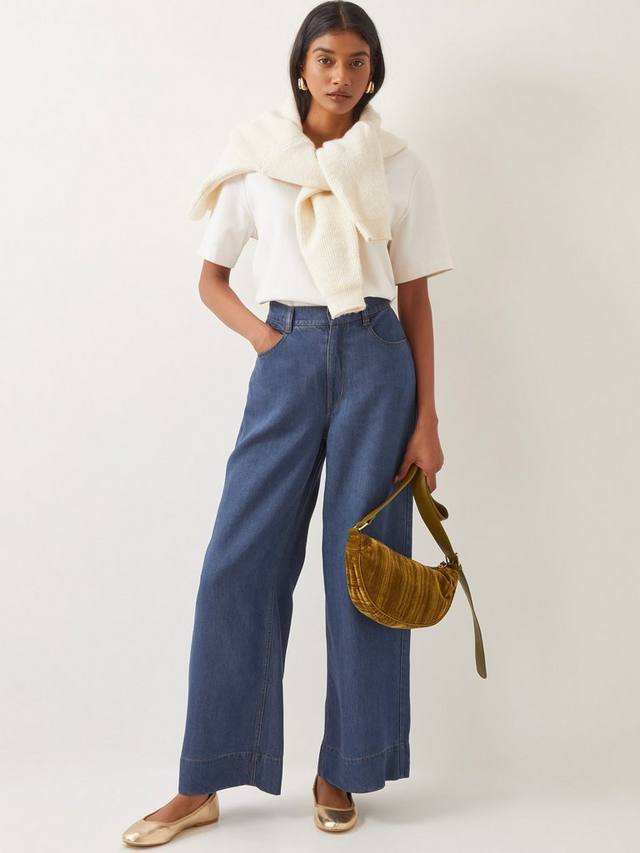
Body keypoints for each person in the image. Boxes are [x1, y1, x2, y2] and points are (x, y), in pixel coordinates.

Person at [122, 2, 453, 845]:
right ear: (301, 67)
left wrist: (427, 418)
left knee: (363, 565)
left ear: (373, 72)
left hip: (378, 357)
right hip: (289, 353)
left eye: (357, 60)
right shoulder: (258, 159)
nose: (341, 75)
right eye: (326, 58)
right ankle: (202, 780)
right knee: (237, 562)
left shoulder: (398, 165)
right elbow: (212, 278)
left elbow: (415, 295)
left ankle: (346, 765)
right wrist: (267, 340)